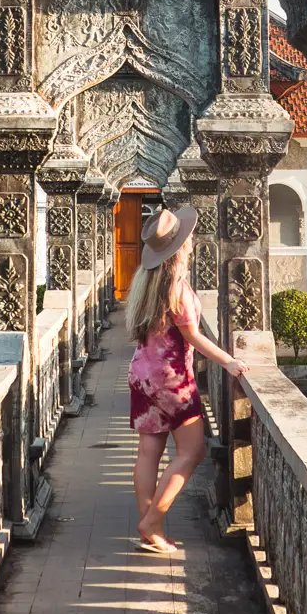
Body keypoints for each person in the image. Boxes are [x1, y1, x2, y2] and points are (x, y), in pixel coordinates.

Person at [124, 202, 249, 554]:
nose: (192, 241)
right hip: (171, 380)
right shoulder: (176, 287)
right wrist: (228, 361)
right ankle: (151, 522)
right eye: (188, 238)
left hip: (142, 375)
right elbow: (193, 337)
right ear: (179, 246)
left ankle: (151, 529)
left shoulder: (147, 281)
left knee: (149, 451)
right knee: (191, 452)